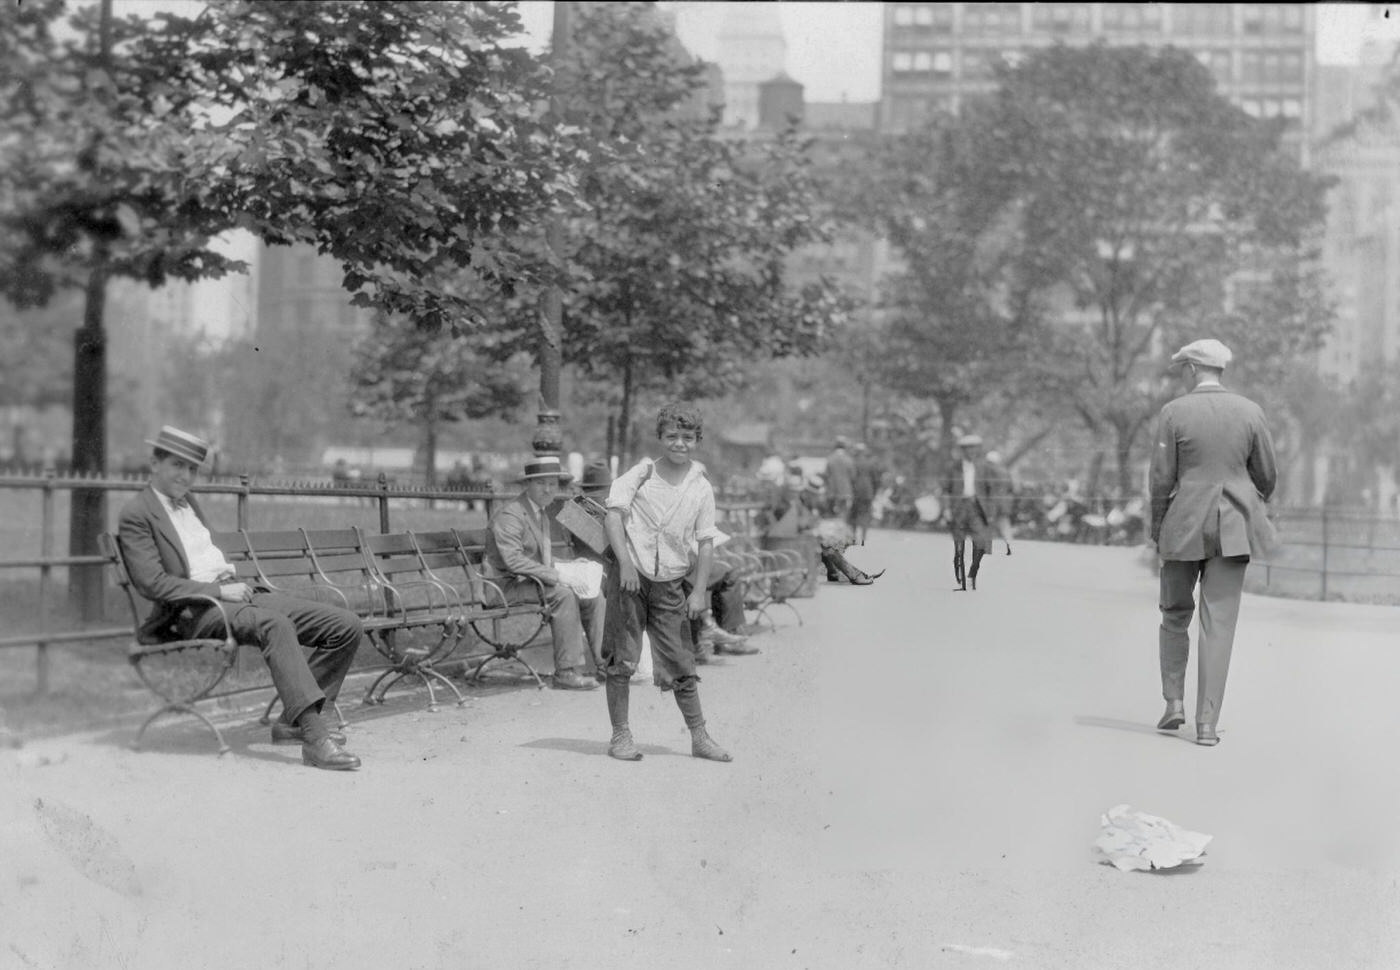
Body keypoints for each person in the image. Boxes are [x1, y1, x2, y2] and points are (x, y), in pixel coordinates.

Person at [117, 426, 363, 771]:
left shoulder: (190, 504)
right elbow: (153, 584)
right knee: (274, 624)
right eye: (177, 465)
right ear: (154, 463)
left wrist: (231, 585)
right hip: (194, 611)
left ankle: (293, 722)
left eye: (191, 469)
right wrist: (219, 591)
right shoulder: (137, 514)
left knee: (345, 625)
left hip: (236, 595)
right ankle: (314, 736)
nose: (185, 476)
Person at [1149, 338, 1277, 747]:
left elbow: (1161, 479)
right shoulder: (1251, 412)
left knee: (1173, 614)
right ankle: (1206, 726)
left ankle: (1174, 702)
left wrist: (1157, 527)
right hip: (1233, 529)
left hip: (1182, 525)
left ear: (1191, 369)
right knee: (1217, 626)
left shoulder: (1173, 412)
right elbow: (1267, 477)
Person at [599, 402, 733, 763]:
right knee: (622, 657)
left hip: (671, 582)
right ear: (660, 437)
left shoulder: (701, 487)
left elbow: (706, 542)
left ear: (697, 440)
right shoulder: (641, 474)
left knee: (680, 660)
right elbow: (614, 518)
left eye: (687, 437)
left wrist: (700, 590)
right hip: (631, 577)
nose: (679, 444)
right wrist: (625, 565)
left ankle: (699, 736)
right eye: (671, 436)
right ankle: (620, 736)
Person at [483, 456, 599, 691]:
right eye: (541, 483)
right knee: (564, 594)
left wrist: (571, 565)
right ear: (528, 485)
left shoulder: (540, 512)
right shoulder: (511, 515)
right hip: (503, 588)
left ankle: (607, 664)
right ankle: (566, 672)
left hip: (527, 582)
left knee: (592, 592)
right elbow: (514, 561)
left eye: (553, 484)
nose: (548, 489)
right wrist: (558, 576)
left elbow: (538, 559)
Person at [940, 434, 1010, 591]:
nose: (971, 452)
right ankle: (959, 573)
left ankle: (972, 573)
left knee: (980, 542)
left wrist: (991, 511)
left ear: (977, 450)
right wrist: (946, 509)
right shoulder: (953, 467)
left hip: (977, 509)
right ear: (962, 451)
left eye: (974, 449)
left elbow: (992, 491)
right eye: (967, 449)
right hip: (958, 508)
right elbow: (945, 489)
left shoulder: (984, 468)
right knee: (959, 545)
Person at [849, 442, 882, 546]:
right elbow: (876, 480)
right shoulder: (870, 463)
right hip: (868, 491)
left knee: (854, 513)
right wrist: (874, 492)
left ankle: (854, 536)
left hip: (856, 491)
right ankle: (863, 537)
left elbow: (851, 478)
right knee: (865, 514)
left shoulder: (853, 462)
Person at [824, 436, 854, 518]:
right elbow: (852, 476)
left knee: (830, 513)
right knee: (842, 513)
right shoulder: (849, 459)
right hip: (845, 491)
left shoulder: (830, 458)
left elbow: (826, 474)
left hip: (832, 490)